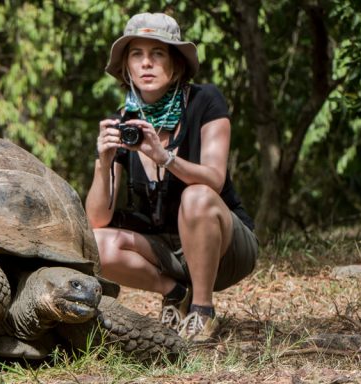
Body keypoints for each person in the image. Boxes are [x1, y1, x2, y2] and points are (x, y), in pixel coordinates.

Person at [85, 12, 258, 342]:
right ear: (126, 68)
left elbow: (215, 180)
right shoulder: (124, 123)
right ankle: (176, 293)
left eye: (158, 53)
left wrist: (164, 157)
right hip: (164, 248)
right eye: (137, 54)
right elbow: (97, 218)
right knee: (93, 243)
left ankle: (203, 311)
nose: (146, 64)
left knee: (197, 195)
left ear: (176, 64)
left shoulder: (205, 102)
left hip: (226, 247)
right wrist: (104, 162)